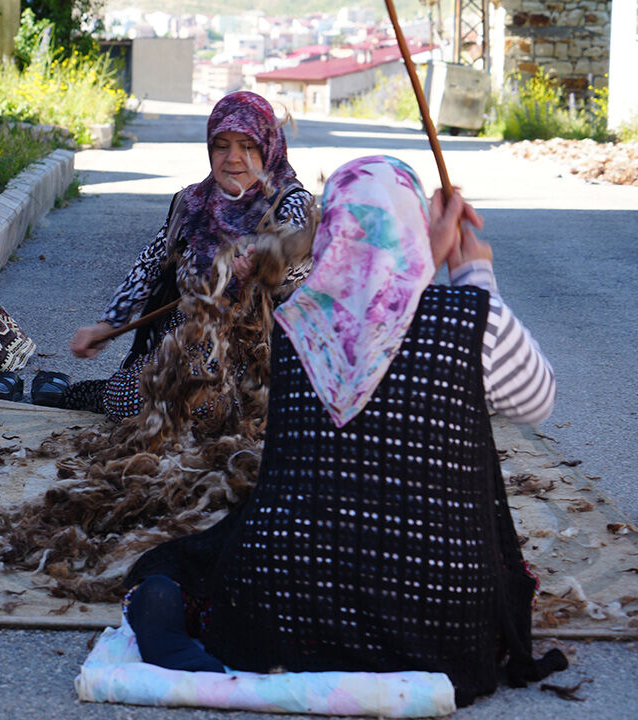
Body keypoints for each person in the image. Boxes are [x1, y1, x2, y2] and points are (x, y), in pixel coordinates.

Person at [118, 155, 567, 707]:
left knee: (187, 564)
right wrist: (472, 273)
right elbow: (536, 400)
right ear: (412, 229)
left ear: (330, 232)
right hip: (443, 625)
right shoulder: (468, 318)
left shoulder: (293, 325)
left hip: (286, 610)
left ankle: (177, 633)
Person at [54, 91, 316, 419]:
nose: (233, 158)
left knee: (231, 409)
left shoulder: (291, 204)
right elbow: (149, 265)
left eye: (247, 146)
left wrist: (266, 268)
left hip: (264, 349)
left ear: (268, 149)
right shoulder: (192, 204)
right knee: (140, 400)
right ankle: (96, 393)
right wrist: (108, 324)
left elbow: (299, 256)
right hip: (192, 342)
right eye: (222, 146)